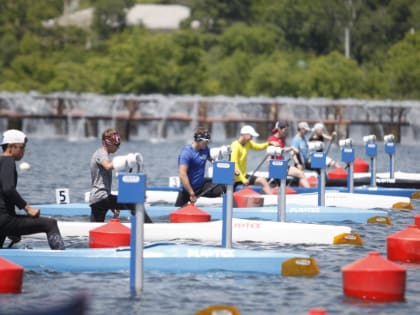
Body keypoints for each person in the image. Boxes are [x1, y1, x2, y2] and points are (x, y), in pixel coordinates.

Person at [0, 129, 64, 250]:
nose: (23, 151)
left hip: (3, 220)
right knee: (50, 224)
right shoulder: (8, 161)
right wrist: (27, 208)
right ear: (10, 147)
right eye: (22, 147)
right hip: (4, 220)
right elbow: (8, 189)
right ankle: (63, 256)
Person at [89, 128, 152, 223]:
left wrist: (112, 206)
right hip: (101, 197)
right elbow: (108, 166)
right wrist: (127, 160)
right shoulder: (101, 153)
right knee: (134, 203)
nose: (118, 147)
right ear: (109, 143)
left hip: (97, 200)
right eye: (117, 144)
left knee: (95, 229)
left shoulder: (102, 154)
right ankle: (149, 227)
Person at [175, 127, 226, 207]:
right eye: (206, 142)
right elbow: (182, 174)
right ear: (199, 140)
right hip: (187, 190)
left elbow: (212, 161)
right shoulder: (186, 154)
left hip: (201, 185)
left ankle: (229, 211)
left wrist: (228, 169)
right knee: (176, 215)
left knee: (224, 187)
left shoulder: (205, 149)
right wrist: (191, 193)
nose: (207, 144)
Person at [230, 125, 272, 194]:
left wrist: (269, 144)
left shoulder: (247, 143)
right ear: (245, 135)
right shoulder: (235, 146)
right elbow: (235, 165)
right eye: (251, 136)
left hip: (244, 175)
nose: (252, 138)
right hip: (235, 178)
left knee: (262, 180)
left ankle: (273, 201)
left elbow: (258, 147)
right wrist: (243, 179)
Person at [267, 121, 310, 187]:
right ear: (279, 129)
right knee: (300, 174)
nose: (286, 131)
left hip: (282, 165)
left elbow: (283, 149)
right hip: (276, 167)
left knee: (301, 174)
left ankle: (310, 193)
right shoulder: (271, 139)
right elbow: (268, 156)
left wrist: (291, 149)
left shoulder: (281, 139)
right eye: (285, 130)